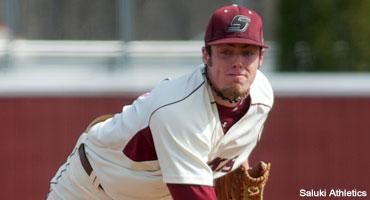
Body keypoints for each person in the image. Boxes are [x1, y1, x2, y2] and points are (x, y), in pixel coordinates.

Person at [47, 4, 273, 200]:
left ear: (261, 58)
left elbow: (233, 139)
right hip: (92, 190)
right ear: (206, 55)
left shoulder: (261, 95)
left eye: (247, 52)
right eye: (226, 52)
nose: (238, 62)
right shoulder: (179, 110)